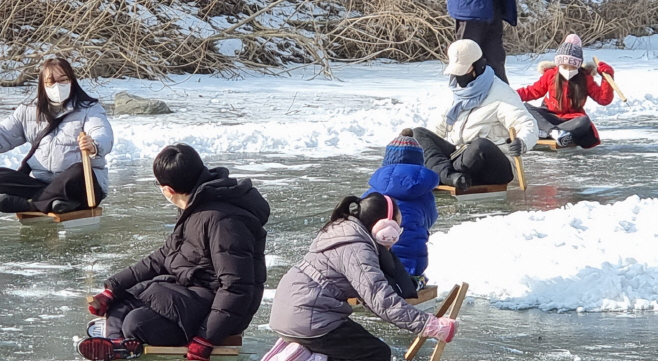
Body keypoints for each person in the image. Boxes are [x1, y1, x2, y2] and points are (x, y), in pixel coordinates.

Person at [77, 144, 270, 361]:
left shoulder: (222, 221)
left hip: (215, 308)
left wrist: (206, 338)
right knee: (121, 301)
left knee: (136, 322)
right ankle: (116, 344)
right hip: (188, 294)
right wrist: (113, 288)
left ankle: (119, 341)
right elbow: (165, 255)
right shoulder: (196, 206)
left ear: (167, 189)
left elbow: (237, 287)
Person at [267, 193, 458, 361]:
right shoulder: (357, 249)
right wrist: (430, 325)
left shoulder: (345, 233)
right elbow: (380, 299)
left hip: (295, 312)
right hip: (309, 318)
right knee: (376, 353)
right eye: (397, 230)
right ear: (385, 230)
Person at [413, 39, 538, 191]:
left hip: (494, 165)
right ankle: (451, 175)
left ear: (478, 67)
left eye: (462, 71)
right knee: (418, 133)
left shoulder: (501, 93)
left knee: (480, 144)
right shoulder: (455, 93)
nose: (458, 77)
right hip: (459, 156)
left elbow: (528, 125)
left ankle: (441, 174)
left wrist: (522, 142)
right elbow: (436, 131)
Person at [0, 58, 113, 214]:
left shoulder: (90, 109)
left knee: (77, 171)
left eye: (63, 80)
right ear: (42, 85)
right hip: (40, 184)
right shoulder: (27, 111)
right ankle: (54, 202)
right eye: (51, 82)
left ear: (72, 81)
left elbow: (102, 132)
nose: (57, 86)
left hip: (80, 186)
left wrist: (94, 145)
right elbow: (4, 134)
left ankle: (32, 205)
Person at [362, 129, 438, 287]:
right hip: (410, 267)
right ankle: (415, 281)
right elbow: (430, 219)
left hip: (373, 268)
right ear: (418, 162)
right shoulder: (425, 194)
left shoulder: (372, 192)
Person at [516, 34, 615, 148]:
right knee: (527, 108)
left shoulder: (585, 78)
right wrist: (511, 95)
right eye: (564, 66)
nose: (568, 70)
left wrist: (607, 78)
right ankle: (553, 132)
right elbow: (532, 91)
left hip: (571, 120)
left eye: (572, 67)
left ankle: (548, 131)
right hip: (549, 116)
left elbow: (603, 99)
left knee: (584, 122)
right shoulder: (551, 74)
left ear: (578, 66)